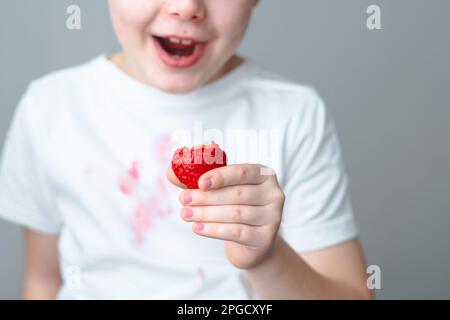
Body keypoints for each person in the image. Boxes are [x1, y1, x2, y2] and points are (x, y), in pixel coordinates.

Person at [0, 0, 372, 299]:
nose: (185, 6)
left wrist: (266, 257)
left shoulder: (294, 112)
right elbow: (43, 280)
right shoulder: (49, 107)